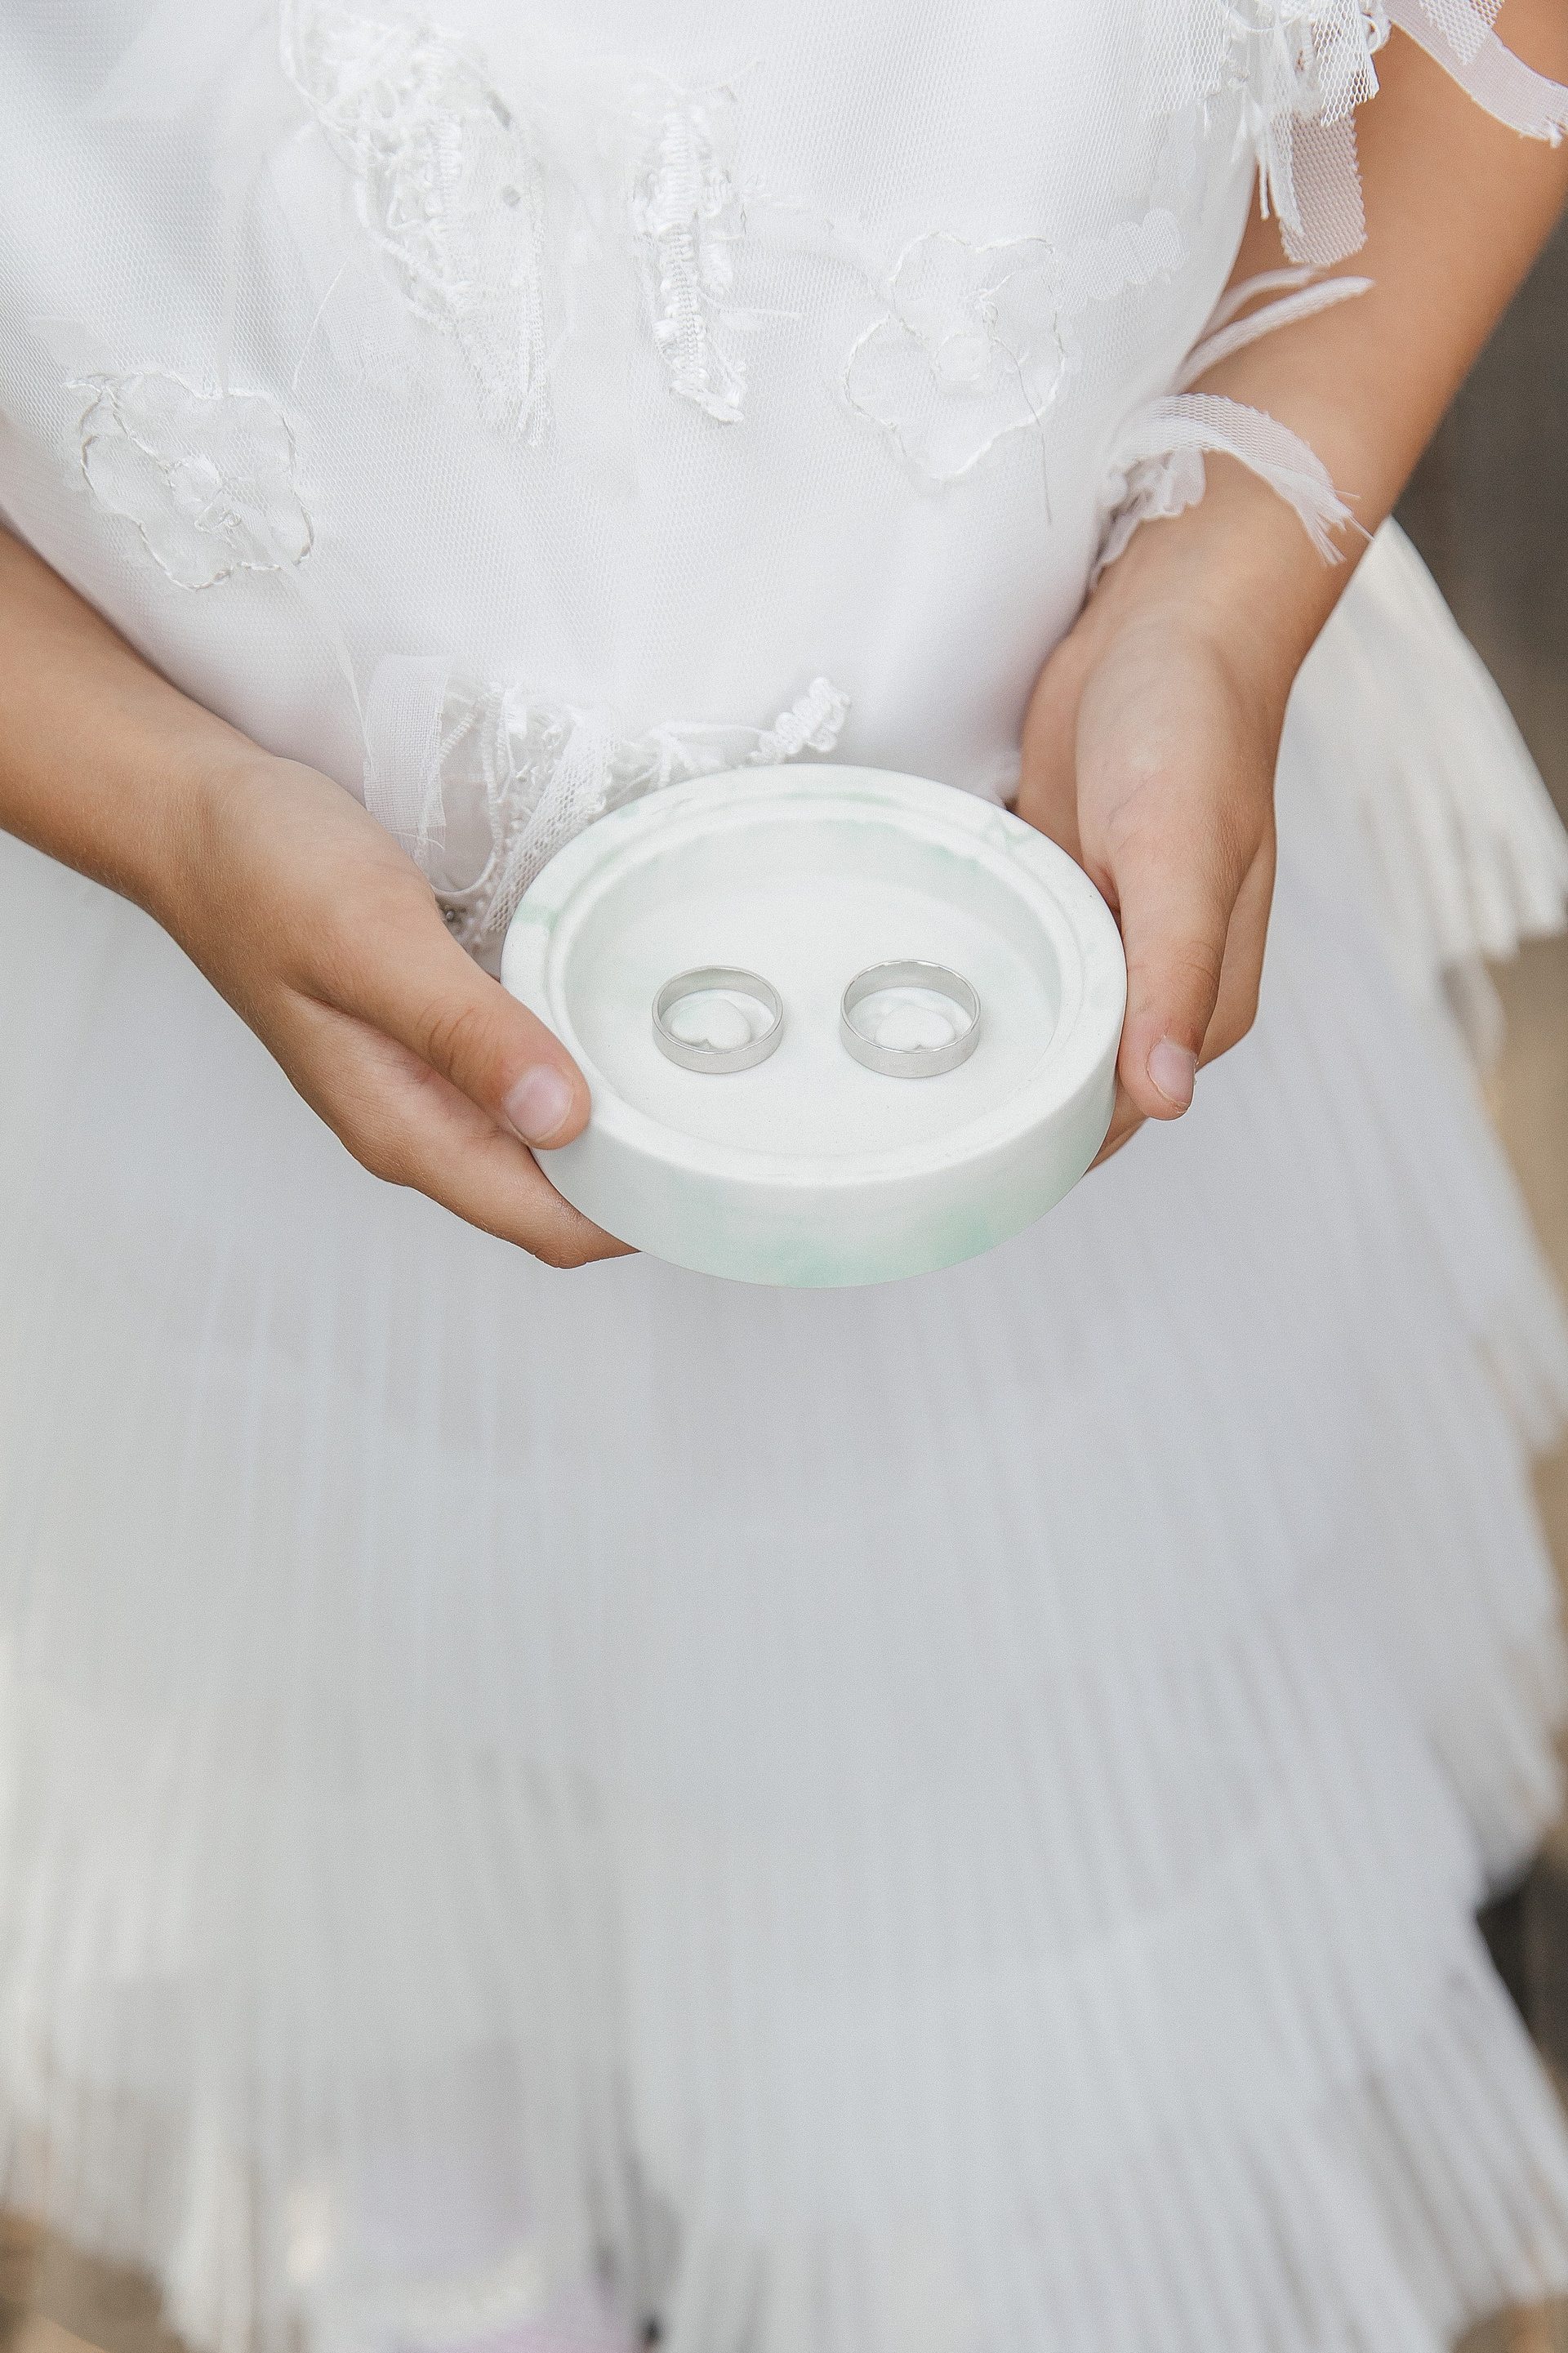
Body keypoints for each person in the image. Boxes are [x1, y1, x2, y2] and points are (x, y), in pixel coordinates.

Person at [3, 3, 1568, 2347]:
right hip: (246, 1093)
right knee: (395, 1897)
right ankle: (454, 2218)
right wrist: (156, 801)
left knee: (1031, 2013)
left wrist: (1229, 568)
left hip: (1028, 1017)